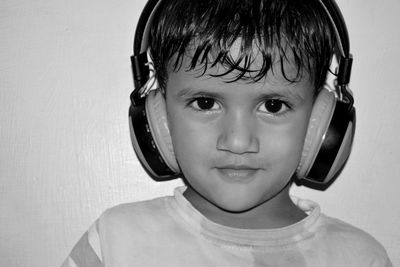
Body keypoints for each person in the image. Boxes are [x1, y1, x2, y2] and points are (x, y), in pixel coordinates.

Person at [62, 0, 392, 266]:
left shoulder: (360, 257)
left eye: (273, 106)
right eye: (205, 103)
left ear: (323, 121)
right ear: (157, 117)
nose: (237, 141)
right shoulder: (115, 241)